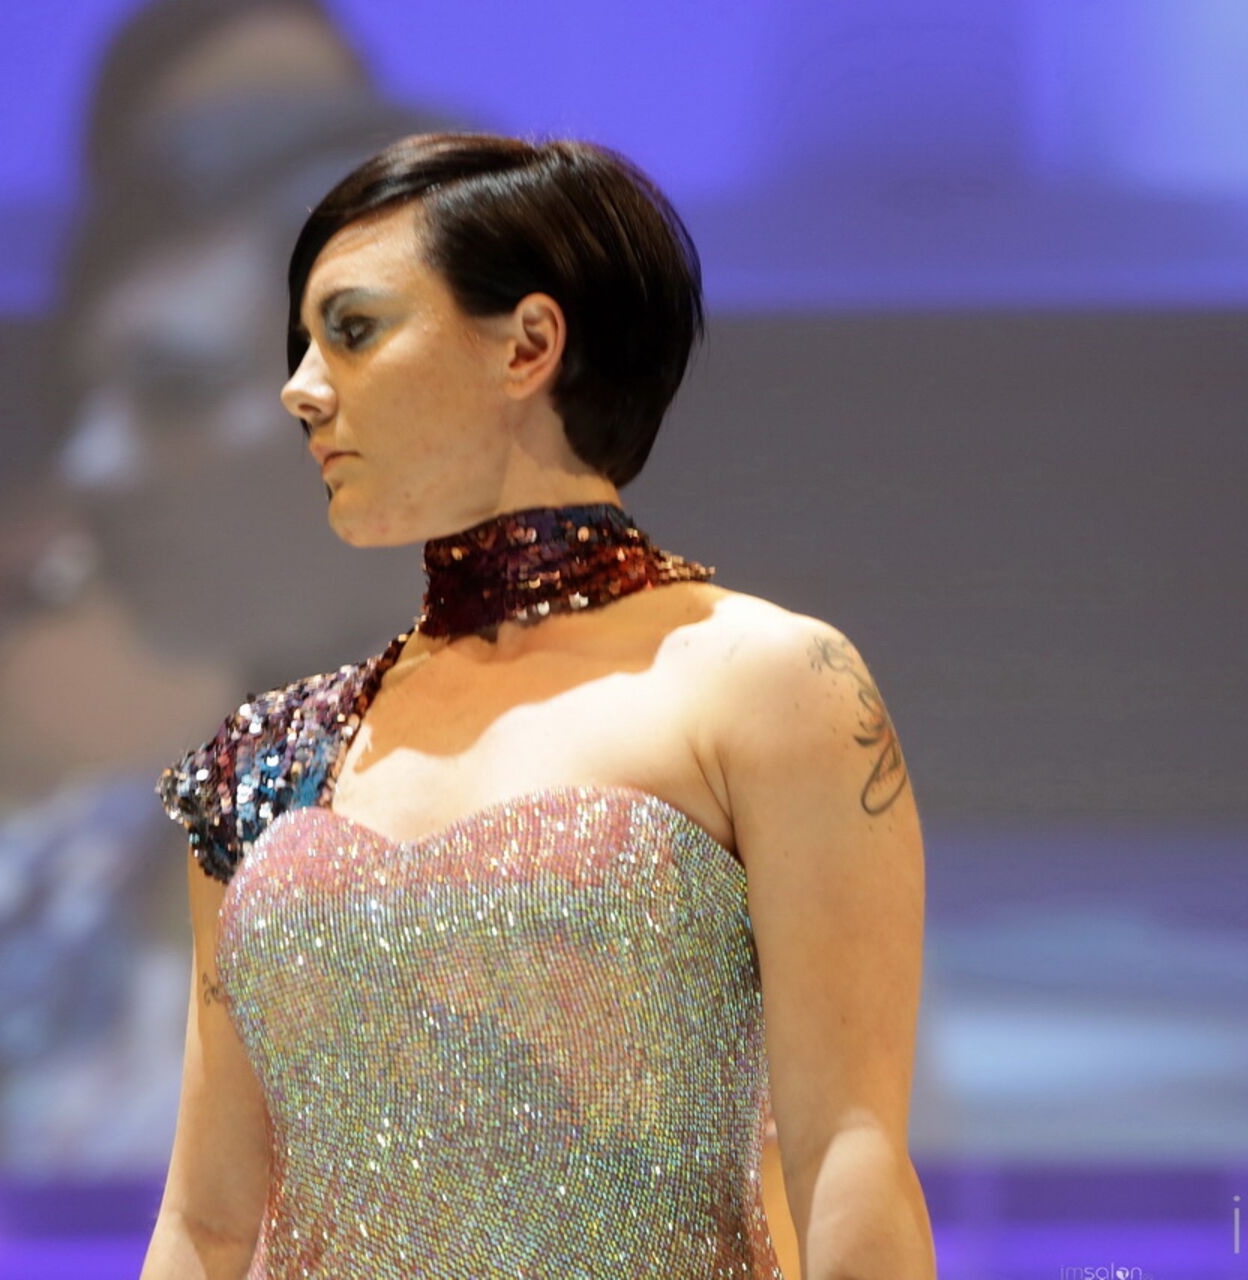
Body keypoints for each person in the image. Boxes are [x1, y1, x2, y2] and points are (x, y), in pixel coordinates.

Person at [141, 130, 937, 1279]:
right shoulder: (271, 755)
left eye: (351, 330)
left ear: (528, 344)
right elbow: (207, 1221)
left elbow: (846, 1156)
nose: (300, 389)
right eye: (301, 345)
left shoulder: (768, 681)